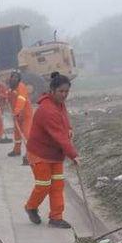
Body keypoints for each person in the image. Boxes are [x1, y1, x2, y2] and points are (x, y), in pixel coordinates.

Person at [24, 72, 78, 229]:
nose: (64, 95)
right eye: (61, 91)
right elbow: (59, 137)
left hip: (55, 154)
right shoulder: (47, 110)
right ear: (52, 90)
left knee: (57, 185)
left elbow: (64, 119)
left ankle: (56, 217)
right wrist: (73, 155)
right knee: (44, 184)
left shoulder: (59, 104)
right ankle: (31, 207)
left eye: (66, 92)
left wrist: (69, 128)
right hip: (39, 153)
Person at [6, 70, 34, 163]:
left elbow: (21, 100)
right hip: (17, 115)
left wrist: (17, 112)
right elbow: (10, 97)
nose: (14, 79)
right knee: (17, 134)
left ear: (19, 79)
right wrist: (7, 97)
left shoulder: (21, 87)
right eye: (13, 77)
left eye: (16, 77)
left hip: (25, 114)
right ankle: (17, 150)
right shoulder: (11, 88)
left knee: (26, 134)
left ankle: (30, 154)